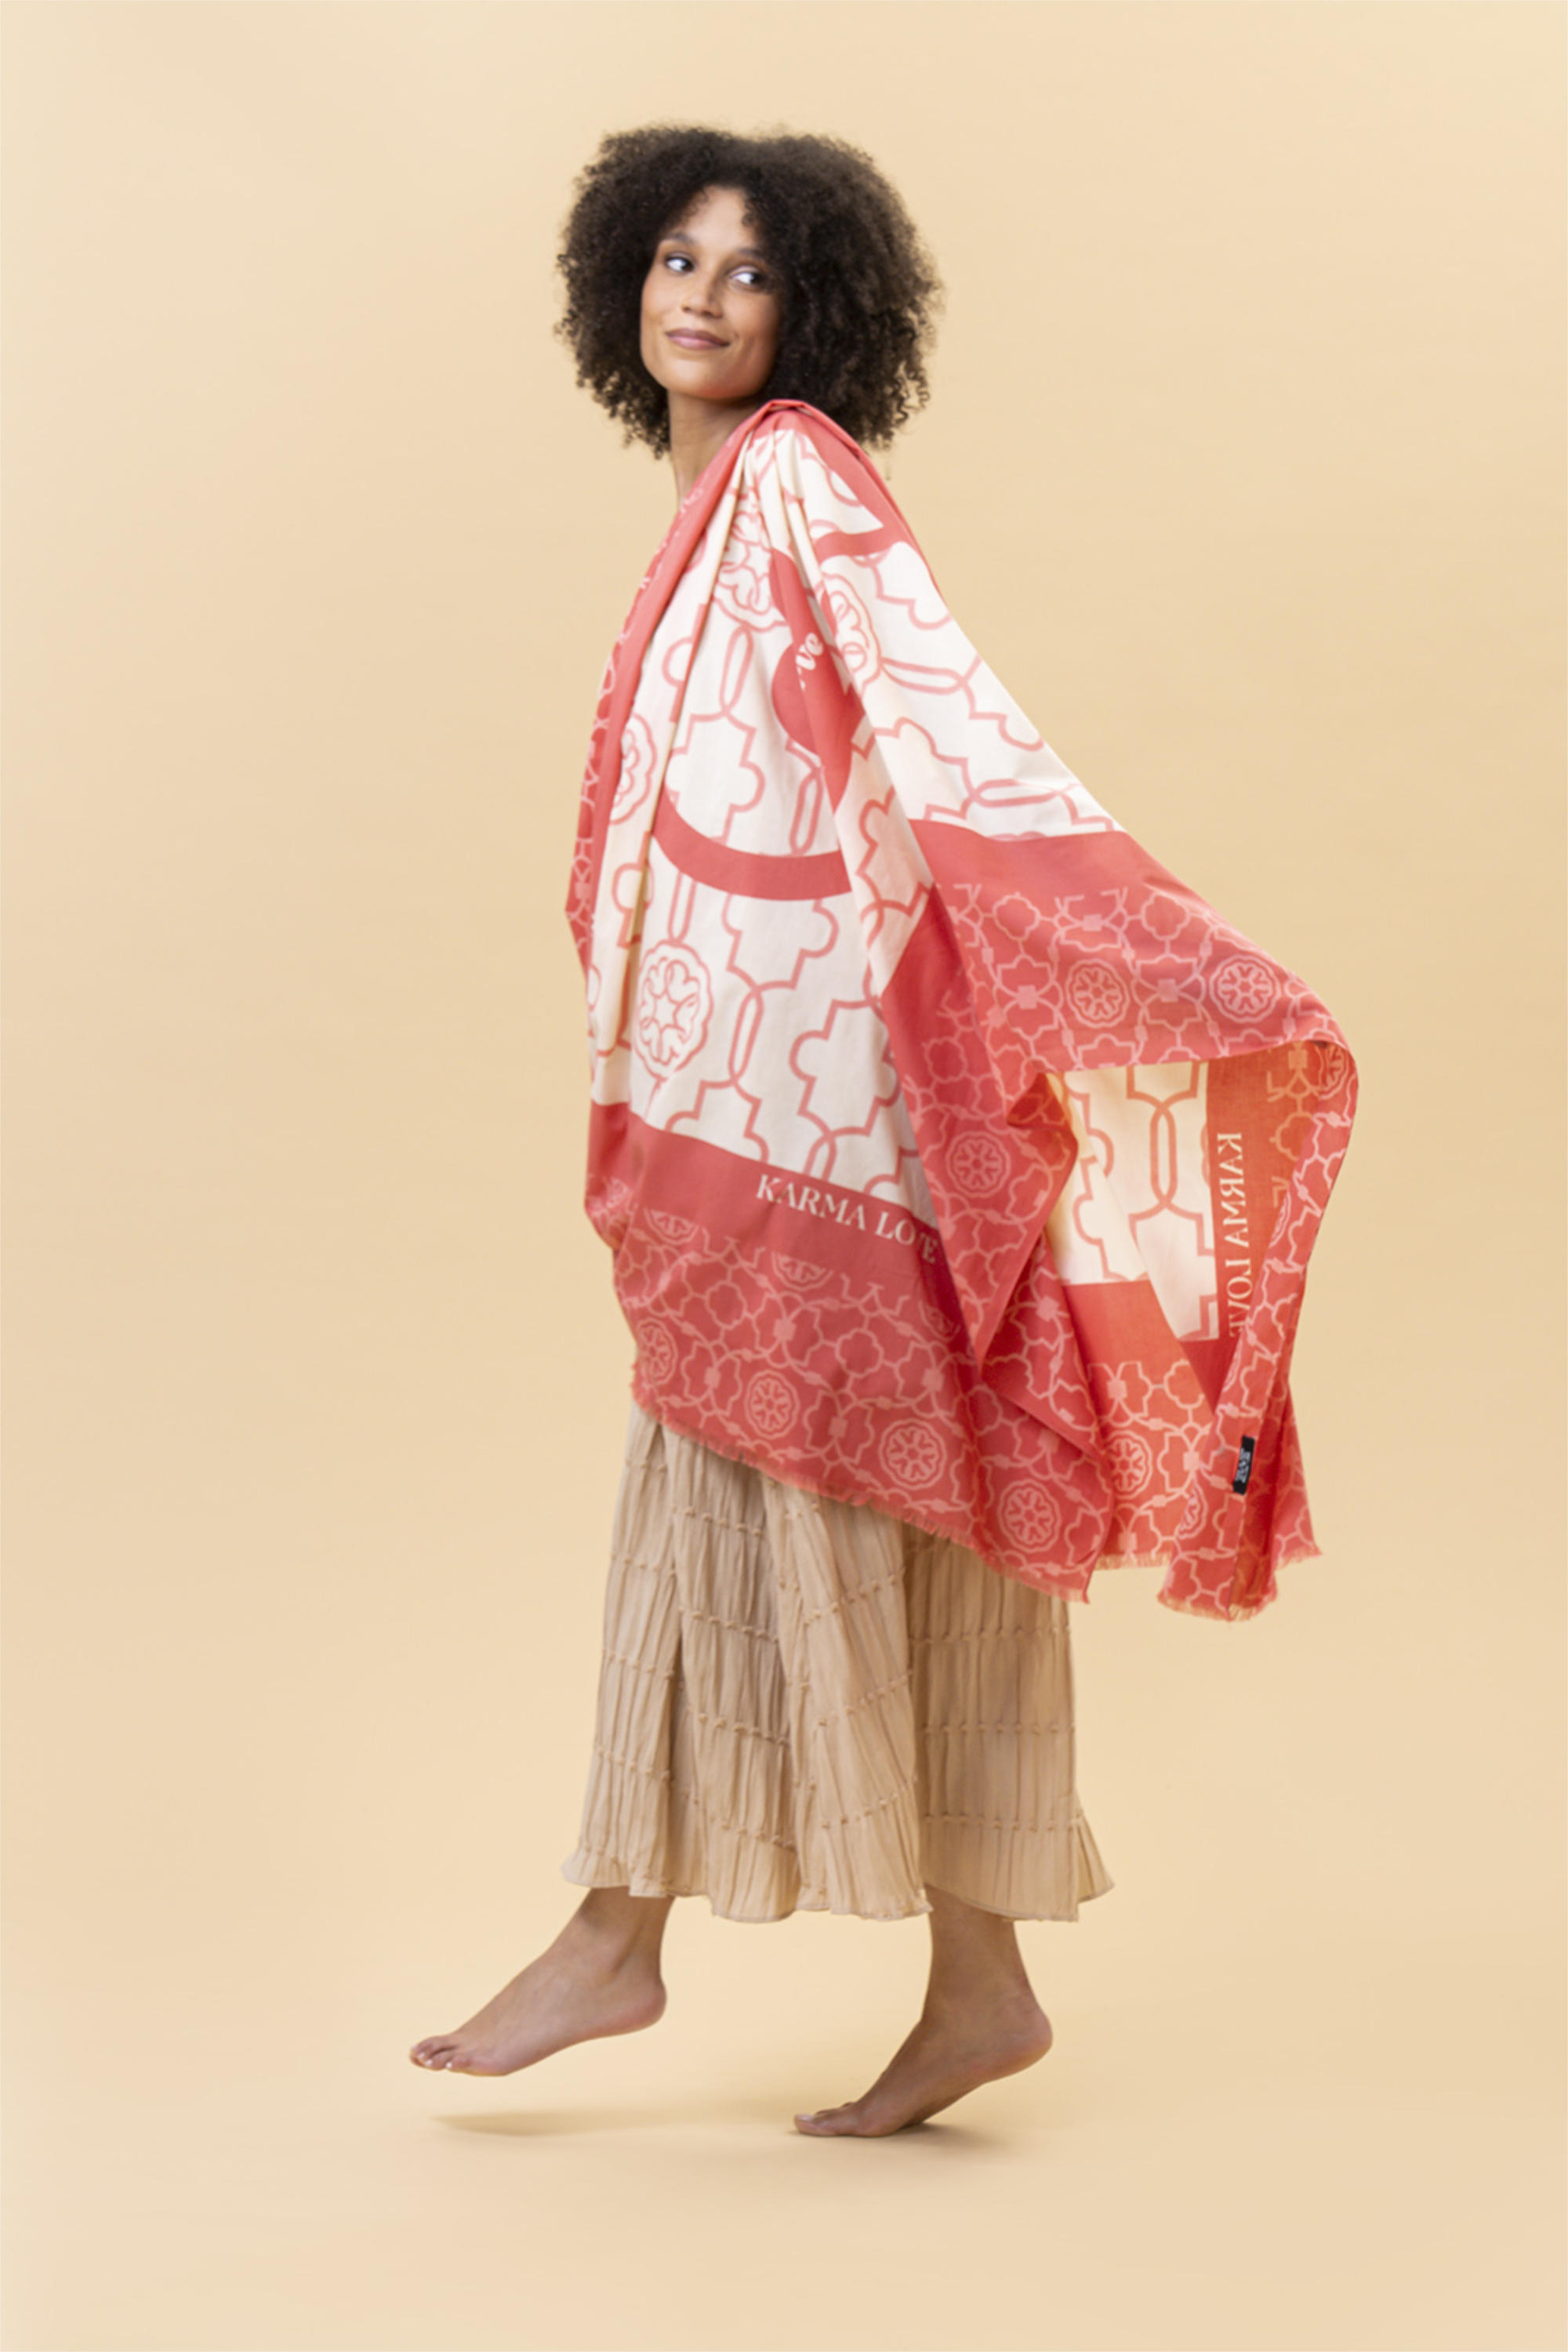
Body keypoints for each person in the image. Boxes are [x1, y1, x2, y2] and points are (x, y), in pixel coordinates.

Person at [408, 127, 1356, 2138]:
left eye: (750, 271)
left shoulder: (796, 479)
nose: (700, 296)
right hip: (759, 1079)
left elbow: (950, 734)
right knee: (901, 1487)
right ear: (620, 281)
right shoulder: (714, 508)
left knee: (766, 1453)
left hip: (827, 1092)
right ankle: (978, 1986)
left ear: (815, 310)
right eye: (675, 258)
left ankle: (615, 1937)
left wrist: (1133, 941)